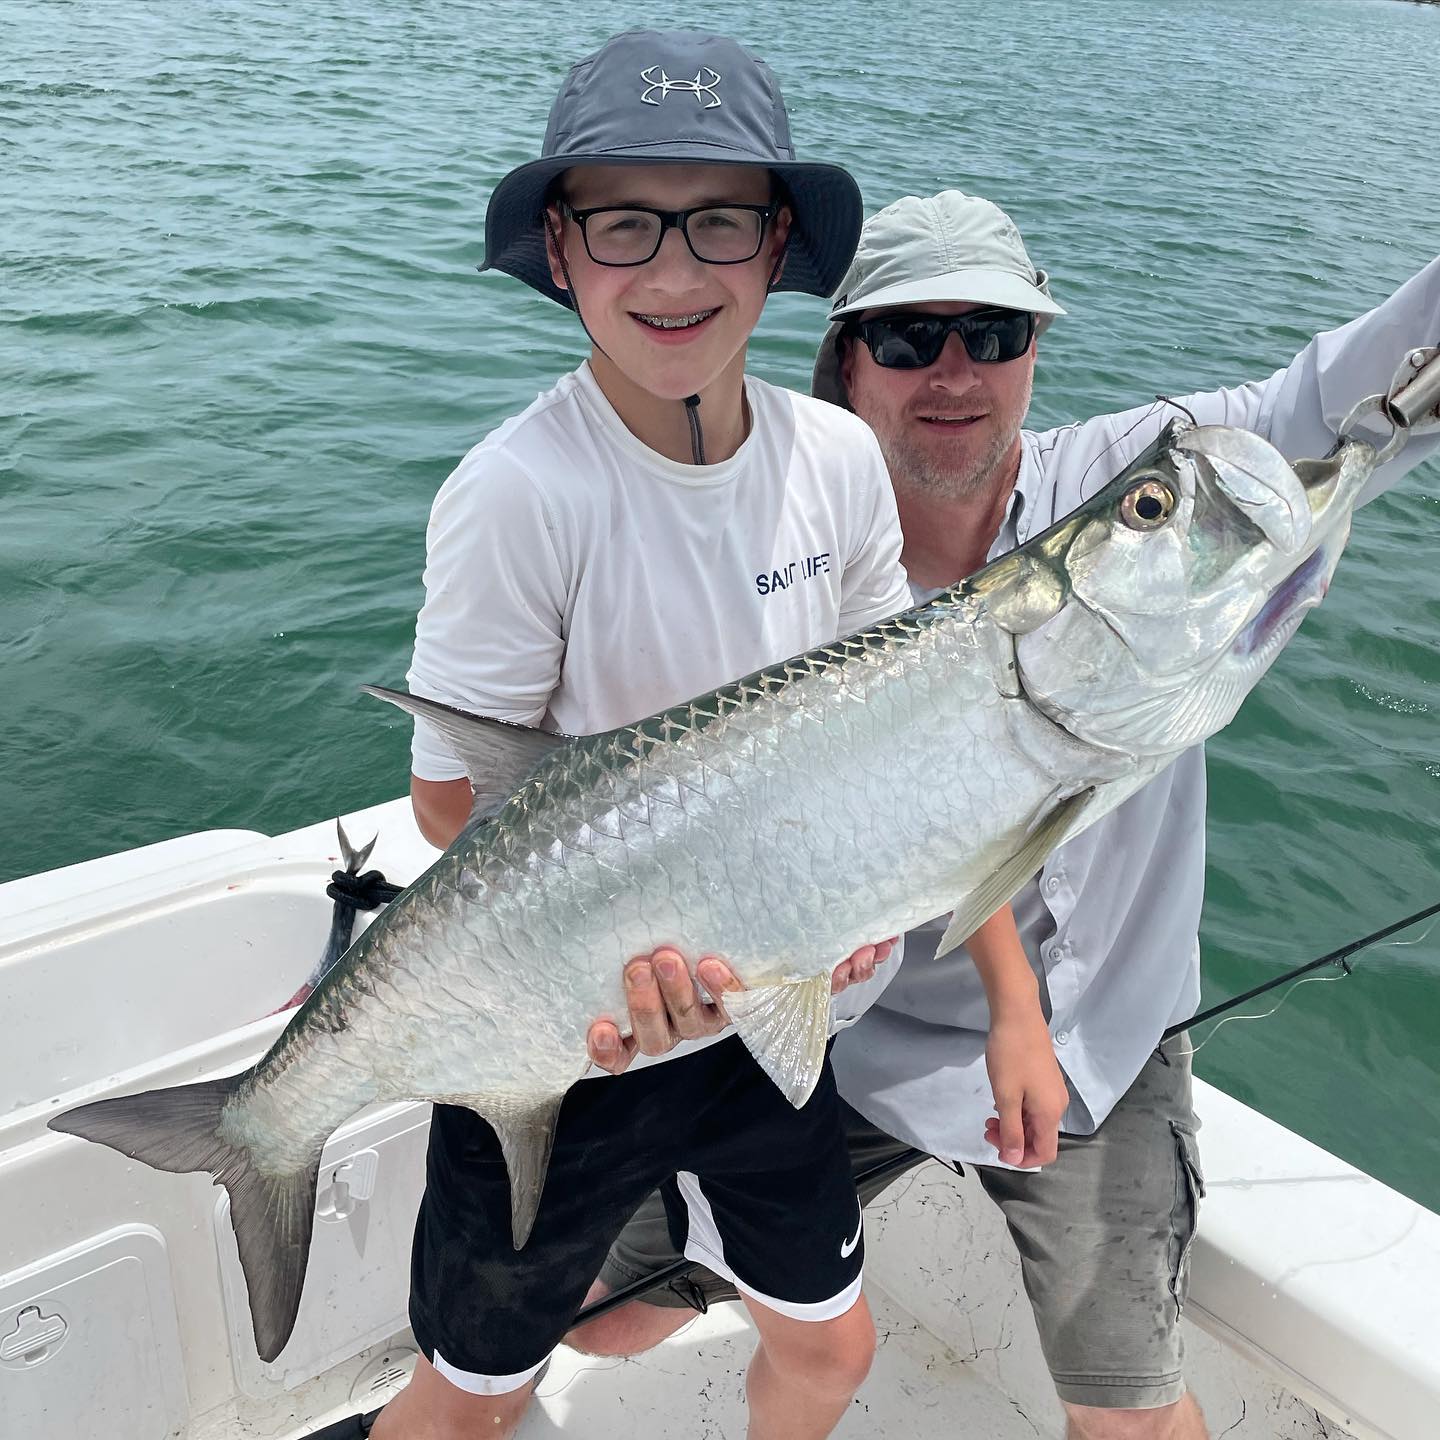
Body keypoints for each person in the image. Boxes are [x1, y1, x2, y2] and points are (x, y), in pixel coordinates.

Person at [576, 190, 1440, 1440]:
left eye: (994, 332)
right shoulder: (784, 568)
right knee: (618, 1311)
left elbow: (1345, 397)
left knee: (1131, 1416)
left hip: (1103, 1043)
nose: (956, 372)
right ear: (846, 362)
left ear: (1036, 349)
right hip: (846, 1038)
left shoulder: (1142, 479)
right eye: (909, 337)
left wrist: (1031, 1020)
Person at [337, 31, 1064, 1438]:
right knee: (474, 1396)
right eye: (624, 224)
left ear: (777, 243)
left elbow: (886, 745)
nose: (674, 273)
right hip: (565, 1024)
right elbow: (445, 809)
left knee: (831, 1355)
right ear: (560, 249)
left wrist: (876, 914)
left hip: (765, 1023)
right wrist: (640, 895)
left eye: (720, 220)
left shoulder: (839, 459)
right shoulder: (517, 495)